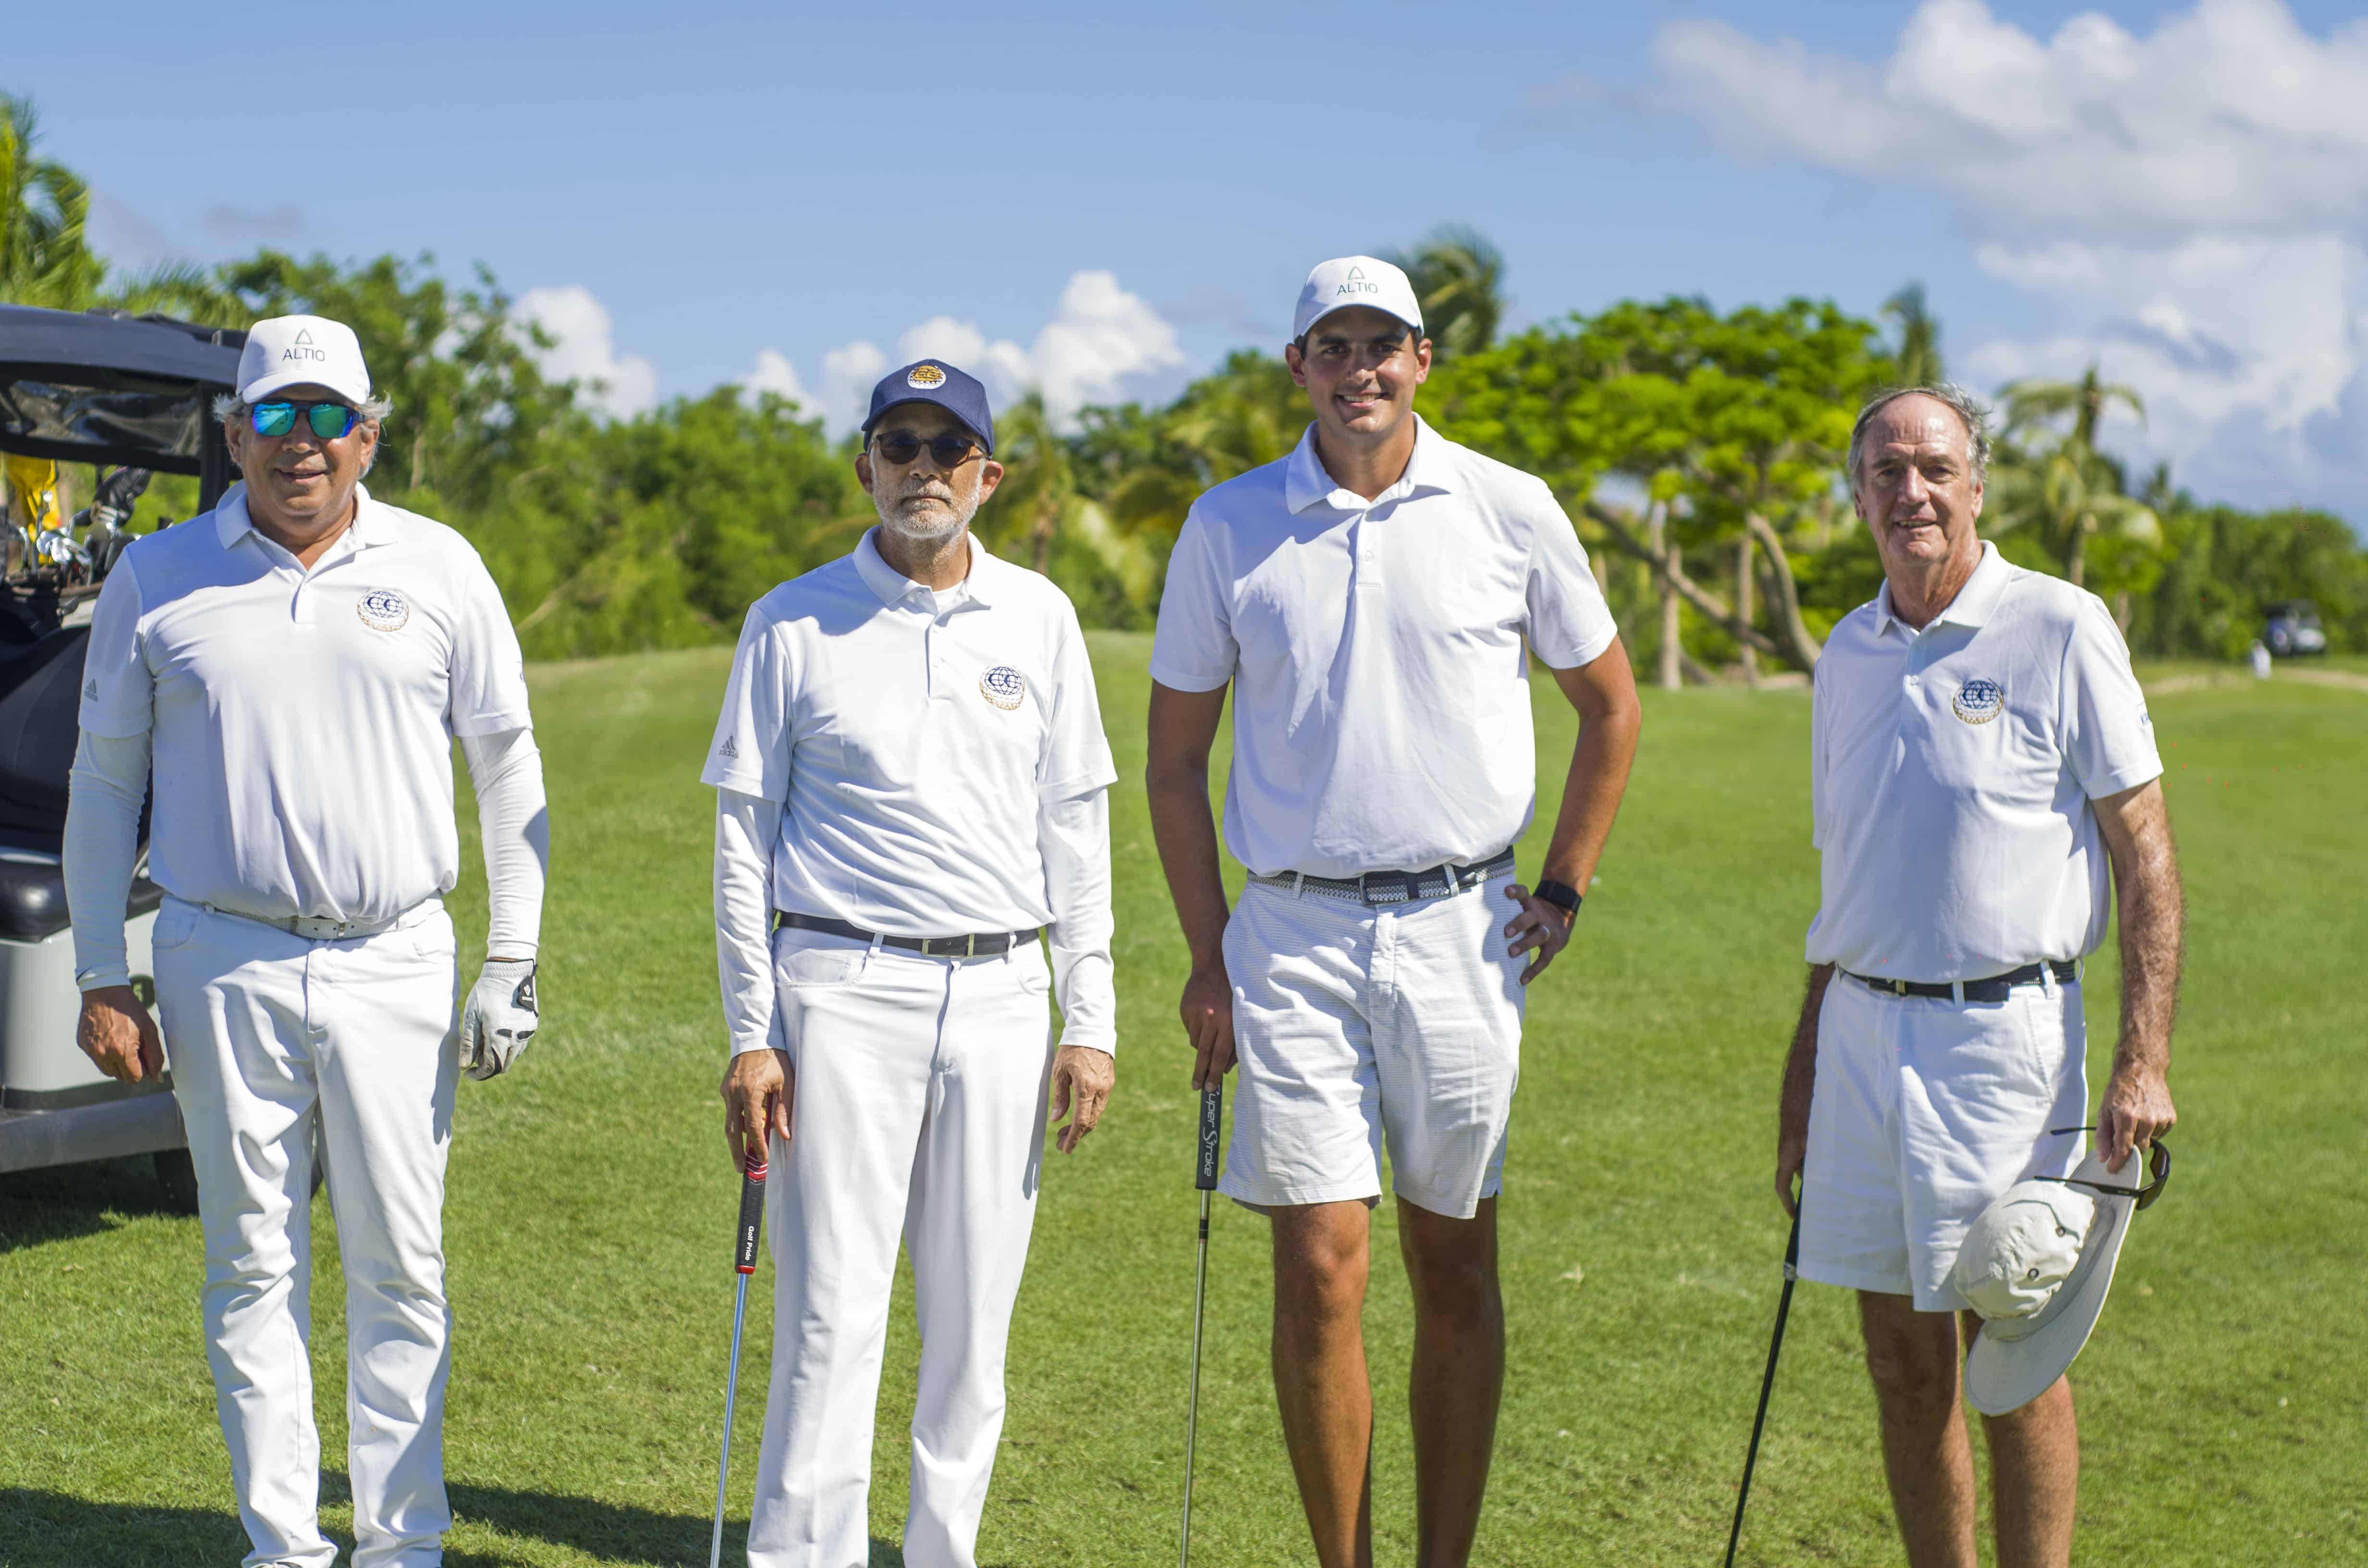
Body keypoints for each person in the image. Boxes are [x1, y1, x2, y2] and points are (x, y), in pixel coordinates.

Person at [1144, 257, 1642, 1568]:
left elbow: (1610, 707)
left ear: (1423, 360)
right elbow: (1175, 762)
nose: (1358, 368)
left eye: (1383, 344)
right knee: (1319, 1266)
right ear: (1297, 367)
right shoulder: (1228, 525)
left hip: (1461, 929)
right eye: (1334, 346)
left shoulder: (1507, 506)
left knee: (1455, 1261)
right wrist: (1206, 953)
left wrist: (1563, 886)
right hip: (1289, 935)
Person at [66, 313, 550, 1568]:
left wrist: (511, 962)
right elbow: (104, 786)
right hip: (220, 955)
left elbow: (507, 769)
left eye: (329, 418)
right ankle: (282, 1549)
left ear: (368, 437)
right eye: (276, 417)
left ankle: (403, 1547)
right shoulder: (157, 576)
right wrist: (100, 973)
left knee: (403, 1269)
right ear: (234, 435)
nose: (303, 443)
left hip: (397, 956)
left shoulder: (441, 566)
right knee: (250, 1267)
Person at [707, 359, 1118, 1568]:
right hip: (841, 990)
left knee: (973, 1325)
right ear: (866, 469)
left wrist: (1088, 1019)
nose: (923, 470)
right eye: (900, 446)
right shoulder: (790, 619)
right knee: (829, 1317)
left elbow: (1076, 834)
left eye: (950, 450)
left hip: (1003, 996)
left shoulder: (1040, 617)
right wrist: (751, 1033)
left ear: (989, 475)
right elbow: (741, 844)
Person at [1774, 384, 2181, 1568]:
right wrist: (1803, 1075)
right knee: (1900, 1363)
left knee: (2014, 1358)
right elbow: (1848, 886)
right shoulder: (1845, 654)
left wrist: (2143, 1058)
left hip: (2004, 1048)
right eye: (1886, 472)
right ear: (1859, 498)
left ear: (1976, 486)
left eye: (1935, 469)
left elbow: (2145, 856)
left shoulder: (2058, 625)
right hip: (1859, 1041)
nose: (1911, 492)